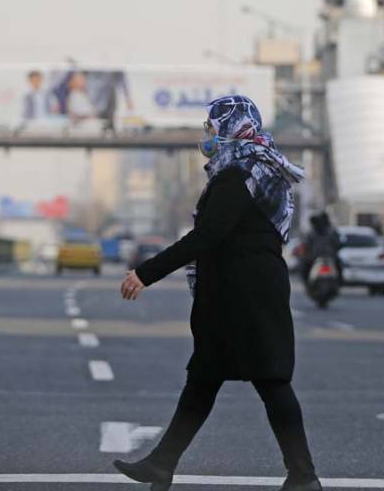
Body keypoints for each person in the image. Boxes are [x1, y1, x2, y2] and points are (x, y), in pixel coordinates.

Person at [115, 94, 321, 491]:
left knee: (270, 380)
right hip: (242, 292)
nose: (207, 136)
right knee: (205, 379)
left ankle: (304, 475)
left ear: (232, 128)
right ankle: (162, 464)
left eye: (211, 128)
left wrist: (145, 273)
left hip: (246, 297)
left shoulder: (239, 175)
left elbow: (207, 236)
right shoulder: (261, 166)